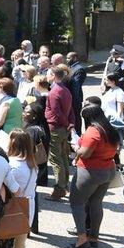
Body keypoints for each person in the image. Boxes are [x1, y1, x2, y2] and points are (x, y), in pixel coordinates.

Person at [68, 105, 120, 248]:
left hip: (90, 172)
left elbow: (84, 153)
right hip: (108, 170)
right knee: (96, 202)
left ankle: (81, 238)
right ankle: (94, 237)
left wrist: (74, 148)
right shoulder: (109, 129)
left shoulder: (93, 131)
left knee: (76, 203)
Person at [44, 67, 73, 201]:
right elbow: (70, 110)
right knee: (63, 157)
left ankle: (59, 188)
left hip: (56, 128)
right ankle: (65, 185)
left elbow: (56, 112)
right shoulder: (65, 90)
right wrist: (70, 124)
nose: (46, 76)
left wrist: (67, 124)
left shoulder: (54, 92)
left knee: (56, 159)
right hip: (63, 128)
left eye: (48, 74)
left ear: (54, 76)